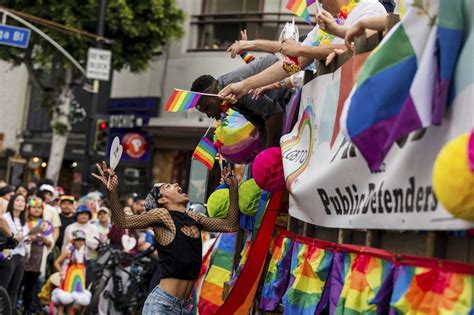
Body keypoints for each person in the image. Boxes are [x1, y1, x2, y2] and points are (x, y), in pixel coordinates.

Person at [93, 162, 240, 315]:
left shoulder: (193, 217)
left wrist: (233, 189)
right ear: (163, 201)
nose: (176, 183)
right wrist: (113, 191)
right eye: (168, 186)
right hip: (162, 305)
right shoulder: (163, 216)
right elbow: (121, 221)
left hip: (184, 307)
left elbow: (231, 225)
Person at [219, 0, 386, 101]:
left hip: (363, 97)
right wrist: (244, 85)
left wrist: (300, 49)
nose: (319, 4)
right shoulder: (324, 24)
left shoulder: (369, 7)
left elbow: (355, 47)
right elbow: (293, 64)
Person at [191, 54, 291, 148]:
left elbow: (273, 112)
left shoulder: (232, 88)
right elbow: (260, 125)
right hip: (283, 99)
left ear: (212, 94)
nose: (209, 115)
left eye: (207, 108)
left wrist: (269, 153)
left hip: (291, 82)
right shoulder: (229, 99)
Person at [22, 197, 54, 314]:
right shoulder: (24, 222)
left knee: (33, 287)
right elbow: (22, 238)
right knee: (21, 285)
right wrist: (31, 238)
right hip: (25, 258)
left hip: (38, 260)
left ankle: (29, 309)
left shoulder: (45, 224)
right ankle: (18, 306)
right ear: (29, 209)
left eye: (39, 207)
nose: (36, 210)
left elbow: (51, 242)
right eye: (34, 207)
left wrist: (45, 240)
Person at [53, 230, 91, 315]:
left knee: (72, 303)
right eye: (78, 240)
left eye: (82, 240)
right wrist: (61, 272)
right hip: (68, 279)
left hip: (78, 280)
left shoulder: (83, 252)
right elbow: (56, 262)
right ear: (74, 240)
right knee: (63, 302)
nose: (80, 242)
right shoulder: (69, 251)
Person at [0, 193, 28, 308]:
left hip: (20, 255)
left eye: (23, 201)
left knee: (15, 288)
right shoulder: (4, 218)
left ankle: (11, 311)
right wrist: (14, 237)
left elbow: (24, 238)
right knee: (3, 286)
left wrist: (27, 239)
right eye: (18, 200)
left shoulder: (24, 221)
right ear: (12, 203)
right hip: (8, 255)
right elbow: (5, 237)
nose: (21, 203)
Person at [62, 204, 99, 286]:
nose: (84, 216)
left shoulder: (94, 228)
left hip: (89, 261)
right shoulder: (70, 228)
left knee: (87, 285)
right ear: (77, 215)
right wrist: (63, 261)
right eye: (81, 214)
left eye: (86, 214)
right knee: (71, 284)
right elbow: (65, 245)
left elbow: (95, 245)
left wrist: (83, 239)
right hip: (72, 261)